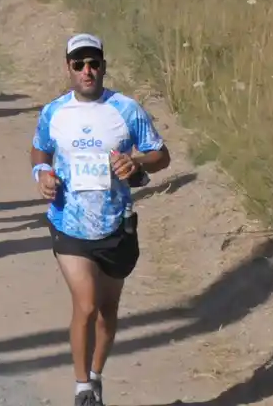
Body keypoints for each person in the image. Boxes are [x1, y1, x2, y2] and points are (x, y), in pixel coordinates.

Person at [32, 34, 170, 406]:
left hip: (114, 223)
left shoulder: (126, 109)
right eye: (79, 64)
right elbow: (39, 150)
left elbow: (161, 155)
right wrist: (42, 174)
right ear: (68, 68)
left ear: (104, 66)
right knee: (87, 305)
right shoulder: (55, 112)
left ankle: (95, 377)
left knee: (107, 311)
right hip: (67, 221)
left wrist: (136, 162)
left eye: (93, 63)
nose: (87, 71)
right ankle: (81, 389)